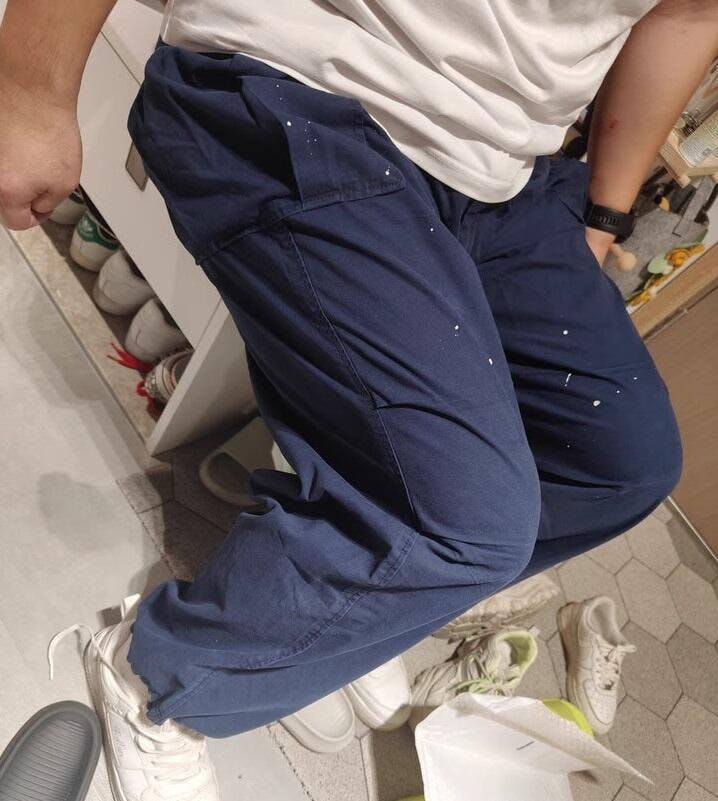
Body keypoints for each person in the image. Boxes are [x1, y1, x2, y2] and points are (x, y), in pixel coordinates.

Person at [1, 1, 715, 799]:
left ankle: (332, 617)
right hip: (306, 76)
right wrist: (29, 82)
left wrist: (604, 216)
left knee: (621, 463)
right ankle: (158, 675)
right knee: (468, 520)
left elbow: (686, 13)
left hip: (499, 172)